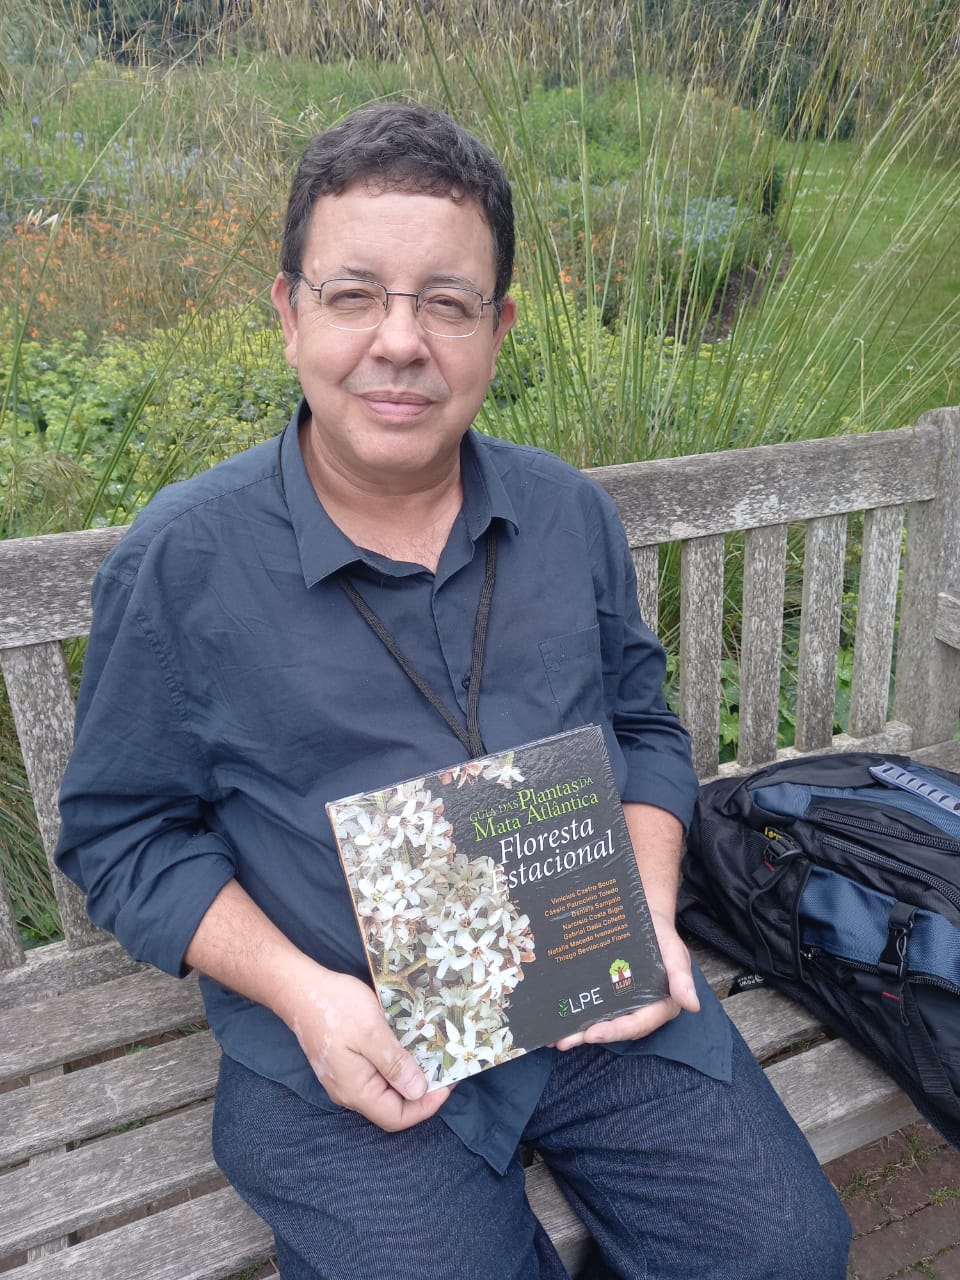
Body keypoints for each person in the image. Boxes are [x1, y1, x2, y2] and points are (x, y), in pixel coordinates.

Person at [55, 102, 851, 1279]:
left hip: (585, 983)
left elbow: (641, 725)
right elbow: (121, 835)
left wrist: (643, 902)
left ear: (497, 328)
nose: (400, 340)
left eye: (446, 301)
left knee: (786, 1252)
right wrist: (306, 995)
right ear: (289, 314)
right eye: (354, 294)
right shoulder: (184, 563)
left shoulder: (567, 514)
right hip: (349, 1034)